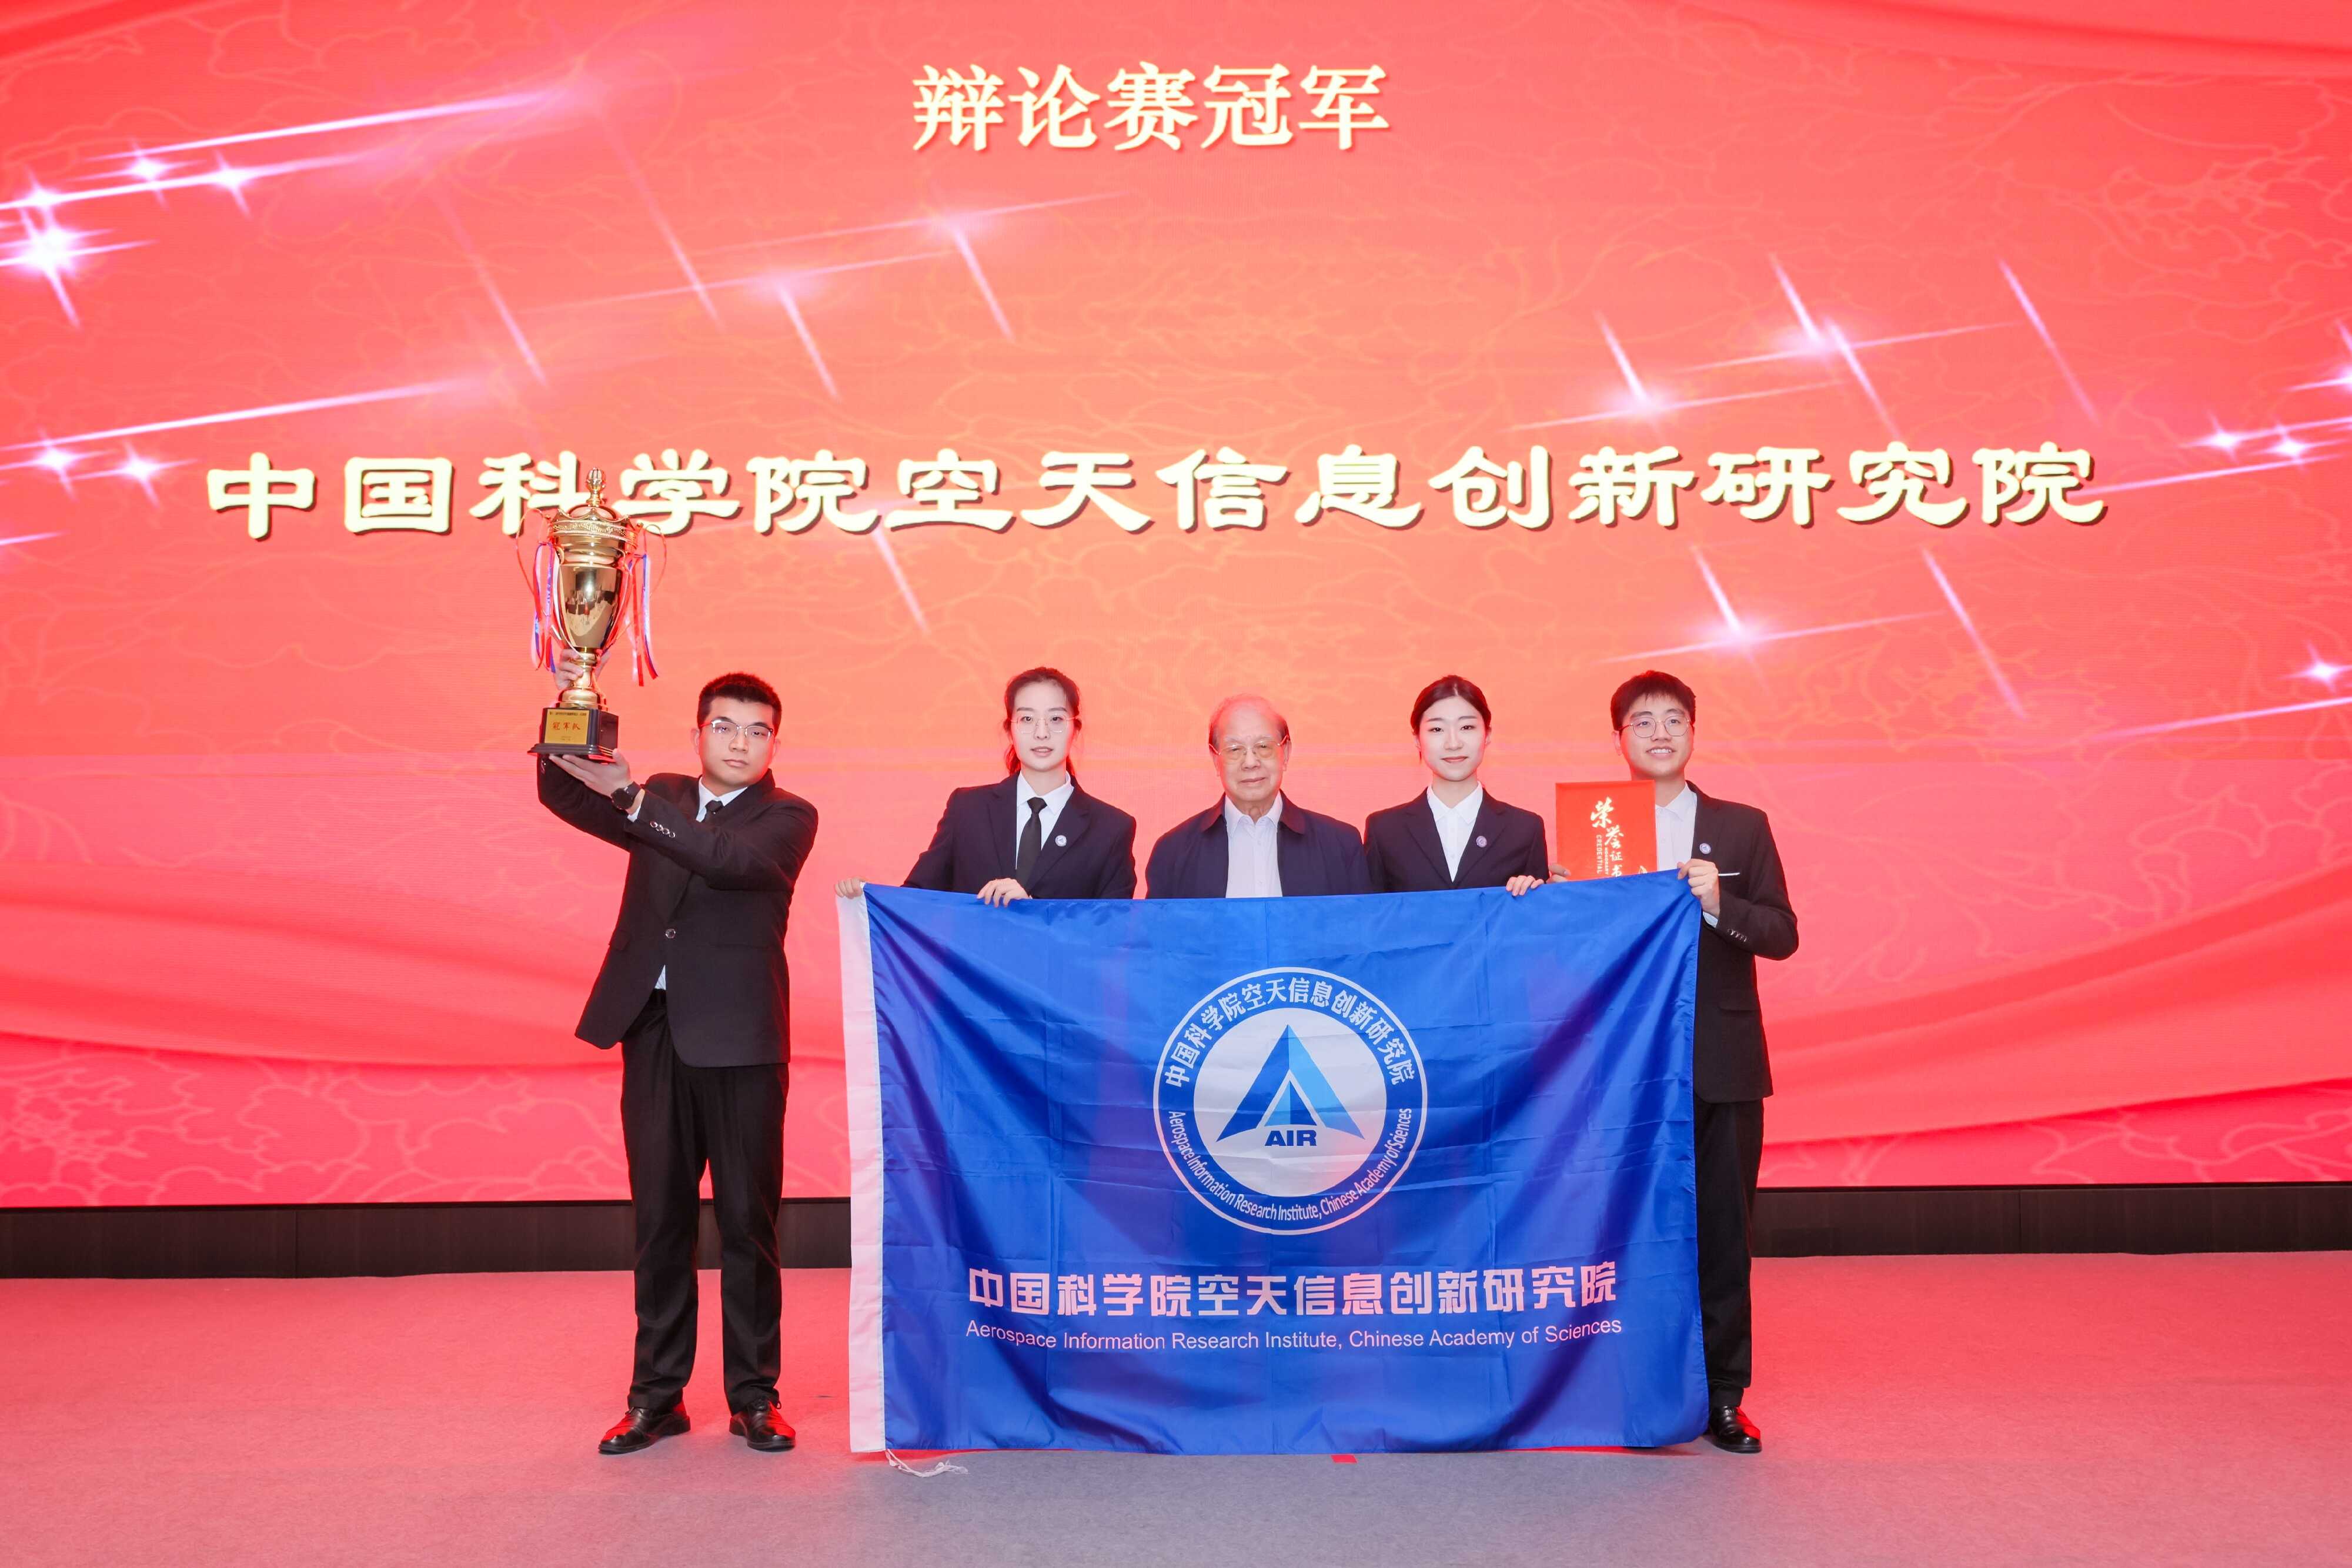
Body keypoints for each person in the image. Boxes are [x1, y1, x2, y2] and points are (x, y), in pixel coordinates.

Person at [536, 656, 818, 1458]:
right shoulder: (662, 792)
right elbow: (564, 794)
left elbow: (725, 860)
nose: (740, 742)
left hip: (740, 1042)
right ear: (699, 734)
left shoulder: (788, 816)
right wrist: (574, 704)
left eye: (757, 732)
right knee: (660, 1220)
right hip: (654, 1029)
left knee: (747, 1226)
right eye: (724, 726)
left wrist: (632, 798)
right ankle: (656, 1398)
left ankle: (754, 1396)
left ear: (774, 745)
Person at [1594, 669, 1797, 1455]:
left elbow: (1781, 933)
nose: (1659, 733)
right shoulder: (1597, 827)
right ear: (1619, 738)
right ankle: (1631, 1386)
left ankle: (1723, 1394)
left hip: (1721, 1061)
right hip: (1623, 1067)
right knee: (1624, 1233)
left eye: (1673, 718)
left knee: (1721, 1234)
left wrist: (1719, 903)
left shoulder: (1741, 826)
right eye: (1642, 721)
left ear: (1692, 731)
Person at [836, 667, 1135, 905]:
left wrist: (1032, 909)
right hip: (968, 968)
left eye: (1056, 718)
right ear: (1009, 730)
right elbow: (919, 897)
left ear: (1075, 730)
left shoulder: (1111, 828)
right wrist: (867, 901)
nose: (1042, 733)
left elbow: (1111, 932)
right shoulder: (968, 809)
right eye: (1027, 719)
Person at [1145, 694, 1369, 898]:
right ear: (1215, 759)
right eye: (1234, 749)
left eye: (1263, 746)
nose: (1251, 762)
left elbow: (1361, 927)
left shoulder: (1340, 845)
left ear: (1286, 753)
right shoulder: (1173, 852)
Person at [1364, 674, 1548, 895]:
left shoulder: (1524, 829)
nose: (1453, 743)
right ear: (1417, 739)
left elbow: (1537, 914)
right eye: (1437, 730)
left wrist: (1551, 894)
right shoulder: (1385, 830)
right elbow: (1370, 912)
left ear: (1487, 735)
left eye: (1467, 727)